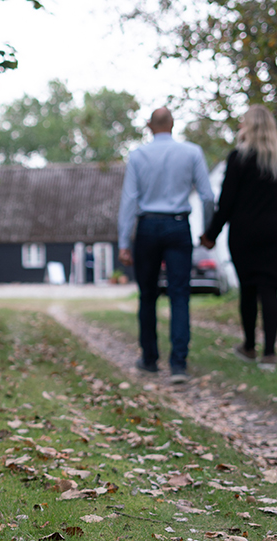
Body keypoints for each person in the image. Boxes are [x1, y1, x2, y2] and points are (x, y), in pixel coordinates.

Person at [200, 104, 277, 371]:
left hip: (245, 233)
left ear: (251, 127)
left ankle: (248, 346)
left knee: (249, 289)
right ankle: (269, 353)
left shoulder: (238, 158)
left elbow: (227, 202)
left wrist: (211, 235)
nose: (239, 127)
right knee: (269, 290)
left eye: (243, 122)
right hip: (276, 232)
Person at [118, 107, 214, 383]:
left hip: (147, 226)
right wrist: (208, 232)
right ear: (172, 124)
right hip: (178, 225)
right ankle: (178, 365)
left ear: (149, 126)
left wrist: (124, 241)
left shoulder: (137, 156)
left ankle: (149, 359)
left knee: (147, 295)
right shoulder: (192, 153)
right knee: (180, 294)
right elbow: (208, 197)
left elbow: (129, 200)